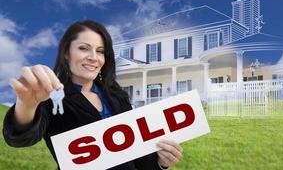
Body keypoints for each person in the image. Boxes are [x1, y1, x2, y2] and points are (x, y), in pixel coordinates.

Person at [2, 20, 183, 169]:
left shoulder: (116, 95)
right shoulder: (50, 96)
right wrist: (27, 104)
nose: (93, 57)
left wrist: (160, 163)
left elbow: (136, 155)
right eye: (83, 48)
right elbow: (19, 139)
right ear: (66, 53)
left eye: (100, 51)